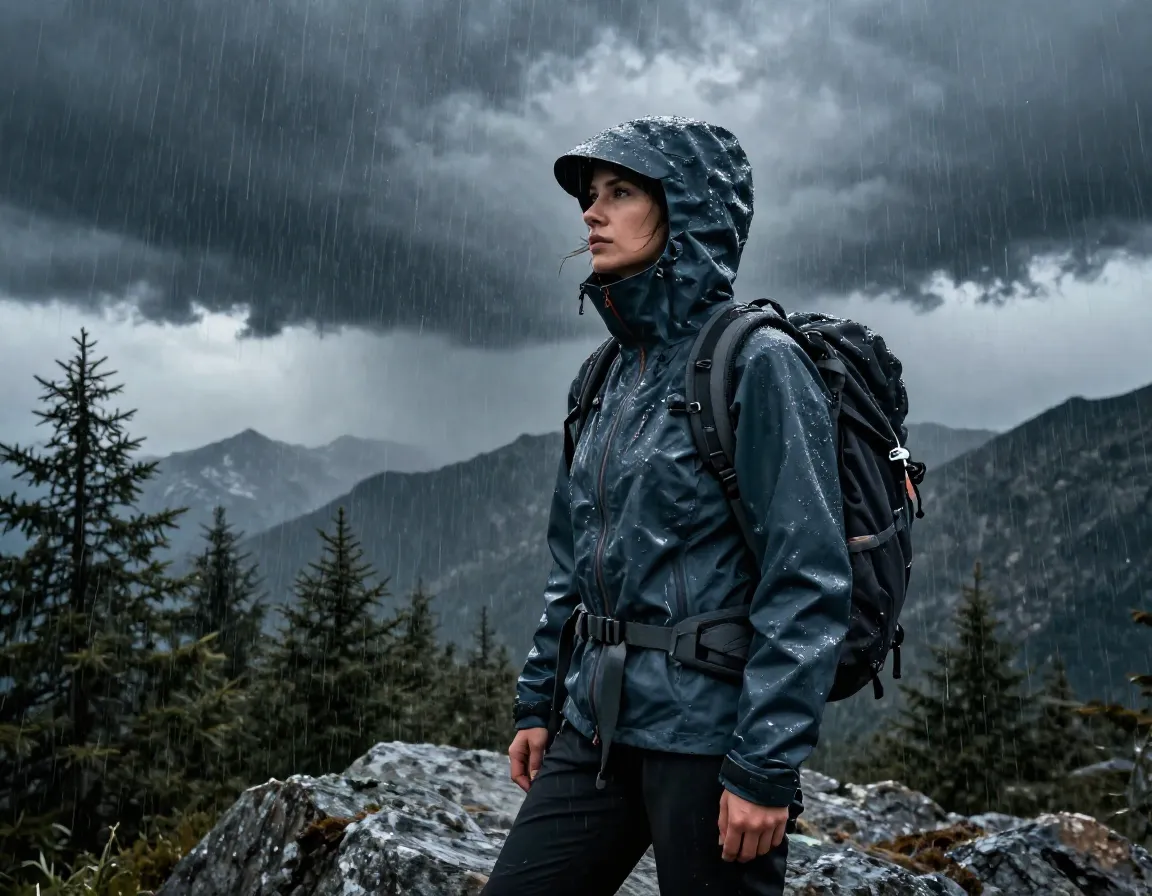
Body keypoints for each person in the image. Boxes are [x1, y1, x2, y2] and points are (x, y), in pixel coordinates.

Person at [481, 116, 853, 896]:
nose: (591, 212)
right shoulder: (603, 375)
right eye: (590, 196)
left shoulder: (759, 362)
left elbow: (808, 576)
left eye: (620, 192)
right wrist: (539, 701)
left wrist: (764, 766)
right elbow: (573, 560)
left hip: (708, 738)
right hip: (596, 726)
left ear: (686, 211)